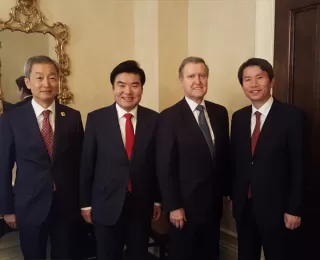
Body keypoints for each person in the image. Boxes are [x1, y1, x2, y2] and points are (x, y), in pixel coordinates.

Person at [0, 55, 84, 260]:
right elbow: (3, 166)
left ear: (59, 81)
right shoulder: (12, 119)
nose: (46, 83)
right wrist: (7, 209)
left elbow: (81, 164)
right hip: (29, 205)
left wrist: (84, 202)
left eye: (52, 77)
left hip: (66, 205)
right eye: (39, 78)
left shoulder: (72, 116)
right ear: (28, 82)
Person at [80, 60, 161, 260]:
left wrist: (158, 199)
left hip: (141, 205)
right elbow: (86, 165)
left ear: (142, 88)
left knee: (138, 255)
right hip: (105, 204)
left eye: (134, 85)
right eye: (121, 85)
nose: (128, 91)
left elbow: (158, 164)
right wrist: (85, 204)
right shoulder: (96, 119)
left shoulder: (155, 120)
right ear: (113, 88)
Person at [230, 58, 305, 260]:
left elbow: (300, 167)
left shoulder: (292, 117)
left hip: (279, 210)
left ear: (271, 81)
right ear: (242, 85)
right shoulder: (238, 118)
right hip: (244, 208)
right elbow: (237, 162)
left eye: (259, 78)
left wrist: (294, 209)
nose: (253, 84)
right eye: (247, 80)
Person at [156, 56, 230, 260]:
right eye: (191, 76)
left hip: (213, 206)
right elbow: (165, 166)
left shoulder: (220, 113)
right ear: (181, 81)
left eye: (202, 75)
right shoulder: (168, 117)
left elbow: (222, 158)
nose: (198, 81)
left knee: (210, 254)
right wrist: (173, 206)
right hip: (184, 209)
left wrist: (227, 193)